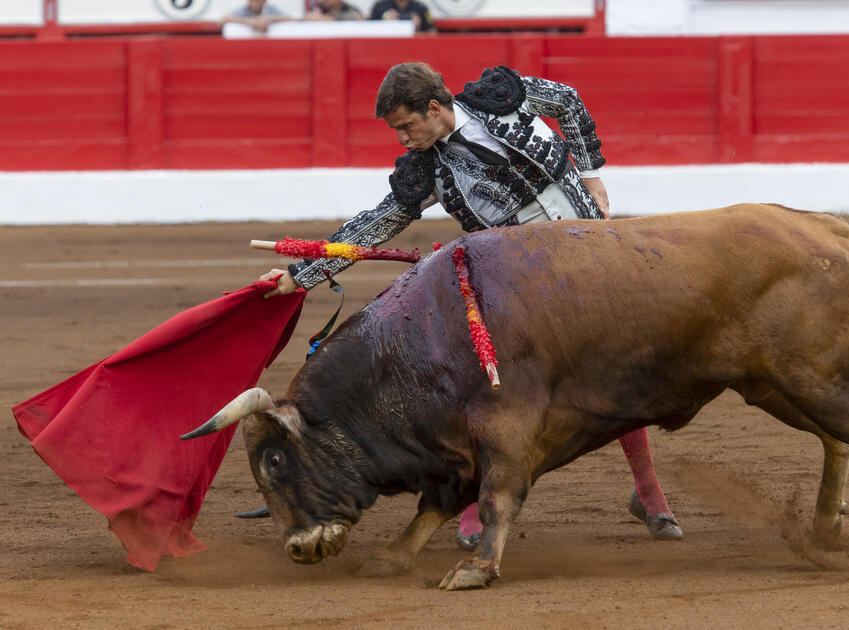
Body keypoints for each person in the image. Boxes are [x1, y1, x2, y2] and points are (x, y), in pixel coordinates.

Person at [259, 62, 683, 549]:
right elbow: (375, 224)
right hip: (524, 290)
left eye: (406, 126)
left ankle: (649, 494)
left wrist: (592, 174)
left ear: (435, 108)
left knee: (624, 370)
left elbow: (567, 99)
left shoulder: (501, 97)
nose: (402, 140)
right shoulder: (426, 171)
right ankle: (471, 513)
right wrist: (300, 273)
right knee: (491, 392)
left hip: (596, 252)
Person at [221, 0, 289, 33]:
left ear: (264, 1)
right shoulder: (243, 10)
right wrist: (249, 22)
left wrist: (270, 19)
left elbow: (290, 19)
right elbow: (223, 20)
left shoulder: (271, 9)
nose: (252, 2)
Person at [369, 0, 434, 32]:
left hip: (414, 46)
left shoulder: (420, 8)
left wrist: (417, 29)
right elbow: (367, 30)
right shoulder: (380, 7)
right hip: (385, 46)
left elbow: (432, 32)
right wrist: (384, 24)